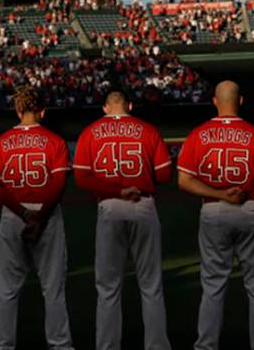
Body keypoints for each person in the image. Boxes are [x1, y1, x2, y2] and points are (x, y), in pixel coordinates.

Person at [176, 81, 254, 350]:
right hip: (251, 208)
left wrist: (221, 194)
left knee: (212, 284)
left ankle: (206, 345)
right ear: (241, 101)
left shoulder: (198, 134)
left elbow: (184, 181)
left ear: (214, 101)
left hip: (213, 209)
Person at [73, 89, 172, 350]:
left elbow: (82, 178)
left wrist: (116, 190)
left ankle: (107, 346)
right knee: (151, 285)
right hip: (143, 205)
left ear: (105, 108)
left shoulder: (90, 131)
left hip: (109, 207)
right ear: (129, 105)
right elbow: (163, 175)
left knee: (108, 287)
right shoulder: (148, 130)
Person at [0, 85, 73, 350]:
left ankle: (0, 346)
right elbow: (58, 184)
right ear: (42, 111)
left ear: (17, 109)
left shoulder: (1, 142)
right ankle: (60, 346)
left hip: (13, 216)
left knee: (7, 289)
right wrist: (39, 217)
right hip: (47, 215)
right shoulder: (55, 141)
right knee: (53, 289)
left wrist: (24, 214)